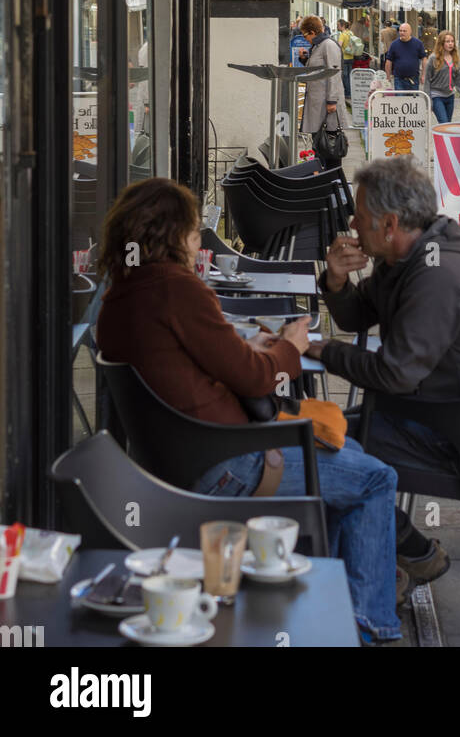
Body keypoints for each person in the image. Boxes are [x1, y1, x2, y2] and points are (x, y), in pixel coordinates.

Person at [95, 177, 401, 643]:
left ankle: (329, 609)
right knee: (376, 478)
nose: (198, 241)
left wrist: (247, 346)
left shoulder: (120, 296)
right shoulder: (177, 288)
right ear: (173, 234)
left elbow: (190, 362)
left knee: (349, 456)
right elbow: (256, 379)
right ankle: (368, 625)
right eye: (195, 231)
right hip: (229, 464)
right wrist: (292, 346)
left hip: (174, 460)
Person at [304, 158, 460, 585]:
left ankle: (398, 562)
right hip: (438, 411)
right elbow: (358, 316)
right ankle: (388, 562)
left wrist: (319, 349)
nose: (352, 225)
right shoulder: (405, 257)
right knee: (314, 431)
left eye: (360, 218)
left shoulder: (436, 276)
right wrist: (338, 282)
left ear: (390, 224)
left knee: (317, 449)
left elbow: (394, 374)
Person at [299, 15, 349, 165]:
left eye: (305, 34)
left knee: (330, 146)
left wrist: (332, 100)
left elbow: (333, 73)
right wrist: (304, 59)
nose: (304, 38)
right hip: (319, 105)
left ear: (313, 32)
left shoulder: (328, 45)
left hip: (326, 106)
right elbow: (318, 69)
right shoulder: (318, 46)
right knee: (320, 146)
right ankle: (324, 180)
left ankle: (332, 179)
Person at [422, 30, 460, 122]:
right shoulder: (433, 58)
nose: (451, 44)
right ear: (441, 43)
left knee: (448, 126)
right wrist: (428, 100)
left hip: (450, 96)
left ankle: (441, 137)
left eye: (452, 41)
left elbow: (459, 79)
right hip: (437, 96)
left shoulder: (455, 58)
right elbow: (427, 80)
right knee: (444, 123)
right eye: (447, 42)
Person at [385, 22, 426, 91]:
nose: (402, 33)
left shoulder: (418, 43)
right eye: (400, 31)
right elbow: (389, 61)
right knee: (400, 101)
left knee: (413, 101)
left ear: (410, 32)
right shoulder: (394, 44)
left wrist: (423, 75)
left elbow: (424, 59)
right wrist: (388, 77)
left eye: (404, 31)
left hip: (414, 79)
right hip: (399, 80)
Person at [337, 17, 355, 99]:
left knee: (345, 76)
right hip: (351, 57)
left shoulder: (342, 35)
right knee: (350, 75)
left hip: (344, 58)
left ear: (342, 26)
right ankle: (351, 92)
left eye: (338, 25)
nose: (337, 27)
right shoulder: (351, 33)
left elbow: (339, 46)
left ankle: (347, 93)